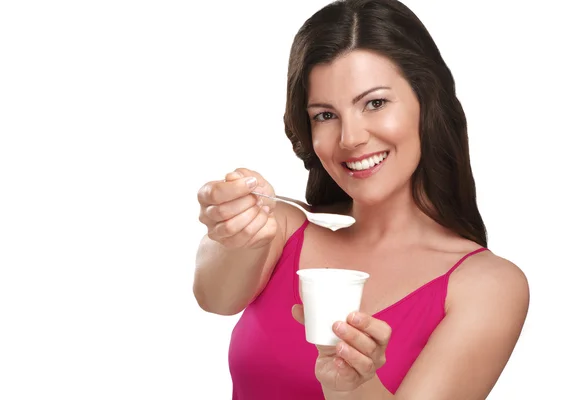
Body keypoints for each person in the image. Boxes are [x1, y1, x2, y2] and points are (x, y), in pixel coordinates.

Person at [193, 0, 530, 398]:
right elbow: (214, 297)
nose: (349, 138)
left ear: (427, 103)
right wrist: (230, 232)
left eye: (375, 103)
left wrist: (355, 387)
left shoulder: (487, 286)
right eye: (324, 115)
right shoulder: (279, 228)